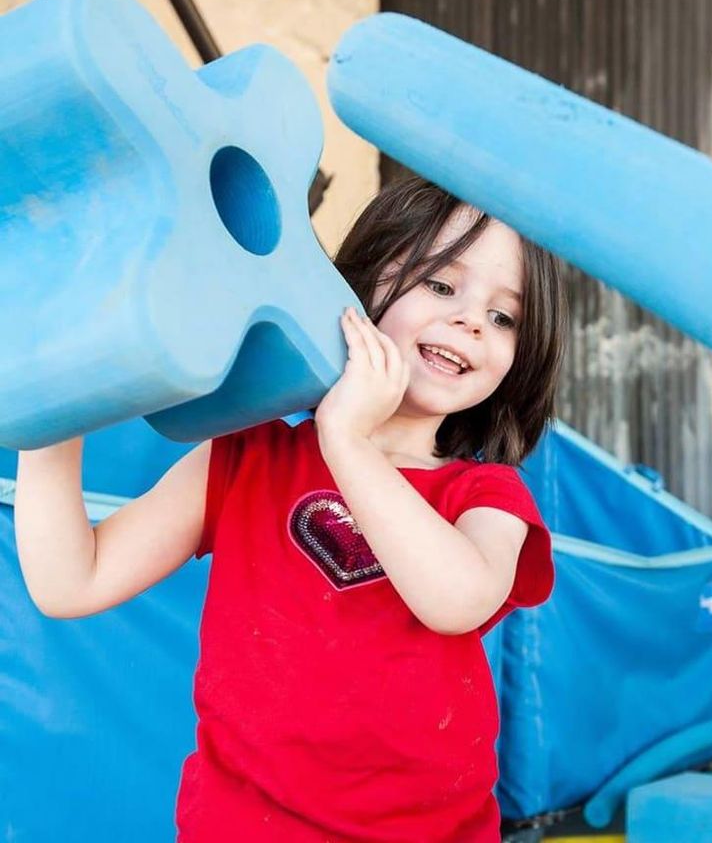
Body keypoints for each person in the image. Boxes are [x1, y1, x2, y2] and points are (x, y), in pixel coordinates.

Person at [14, 177, 567, 842]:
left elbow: (457, 599)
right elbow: (73, 581)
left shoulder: (488, 497)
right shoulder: (248, 458)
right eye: (442, 286)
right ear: (360, 288)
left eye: (504, 316)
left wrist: (347, 438)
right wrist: (48, 411)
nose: (472, 320)